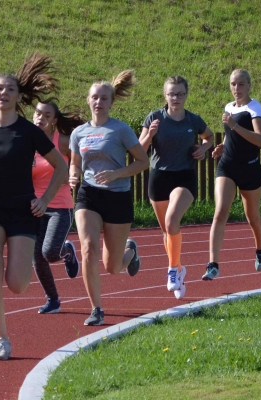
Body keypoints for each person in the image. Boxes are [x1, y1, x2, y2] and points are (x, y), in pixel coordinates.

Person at [0, 53, 68, 360]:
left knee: (17, 284)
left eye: (10, 88)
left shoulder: (29, 131)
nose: (4, 93)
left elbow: (60, 167)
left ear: (18, 96)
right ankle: (2, 339)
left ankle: (22, 277)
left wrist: (45, 200)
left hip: (23, 211)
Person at [69, 70, 150, 326]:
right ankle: (96, 308)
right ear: (88, 100)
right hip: (88, 196)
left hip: (117, 197)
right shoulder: (78, 133)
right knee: (88, 249)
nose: (98, 102)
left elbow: (143, 161)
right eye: (94, 97)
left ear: (111, 103)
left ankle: (130, 252)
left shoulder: (120, 130)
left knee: (113, 267)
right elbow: (75, 164)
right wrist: (73, 176)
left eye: (104, 98)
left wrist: (117, 173)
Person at [139, 76, 214, 299]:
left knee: (172, 221)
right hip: (159, 177)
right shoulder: (154, 118)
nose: (176, 98)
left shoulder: (193, 120)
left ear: (186, 95)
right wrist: (150, 135)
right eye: (172, 94)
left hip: (184, 176)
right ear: (165, 95)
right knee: (167, 231)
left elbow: (209, 136)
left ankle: (172, 271)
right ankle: (179, 268)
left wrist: (204, 148)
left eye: (180, 94)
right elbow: (139, 150)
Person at [203, 69, 261, 280]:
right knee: (220, 211)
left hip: (249, 168)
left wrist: (235, 125)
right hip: (227, 166)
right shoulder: (228, 107)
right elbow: (232, 136)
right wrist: (223, 145)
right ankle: (213, 264)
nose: (236, 89)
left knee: (253, 217)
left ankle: (260, 248)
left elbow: (260, 140)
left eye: (240, 84)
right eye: (233, 84)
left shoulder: (254, 108)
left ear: (249, 86)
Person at [32, 101, 85, 314]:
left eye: (46, 115)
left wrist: (73, 173)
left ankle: (67, 252)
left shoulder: (62, 141)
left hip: (59, 206)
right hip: (35, 206)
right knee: (37, 256)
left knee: (50, 252)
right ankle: (52, 300)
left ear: (54, 120)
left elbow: (76, 161)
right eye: (37, 113)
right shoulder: (27, 143)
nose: (40, 118)